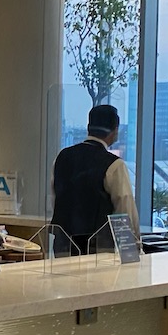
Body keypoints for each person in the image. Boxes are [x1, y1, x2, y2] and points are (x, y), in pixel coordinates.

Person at [50, 104, 141, 252]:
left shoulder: (61, 158)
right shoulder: (114, 164)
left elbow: (56, 200)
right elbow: (125, 212)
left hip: (63, 245)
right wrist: (134, 250)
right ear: (115, 130)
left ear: (88, 127)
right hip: (97, 249)